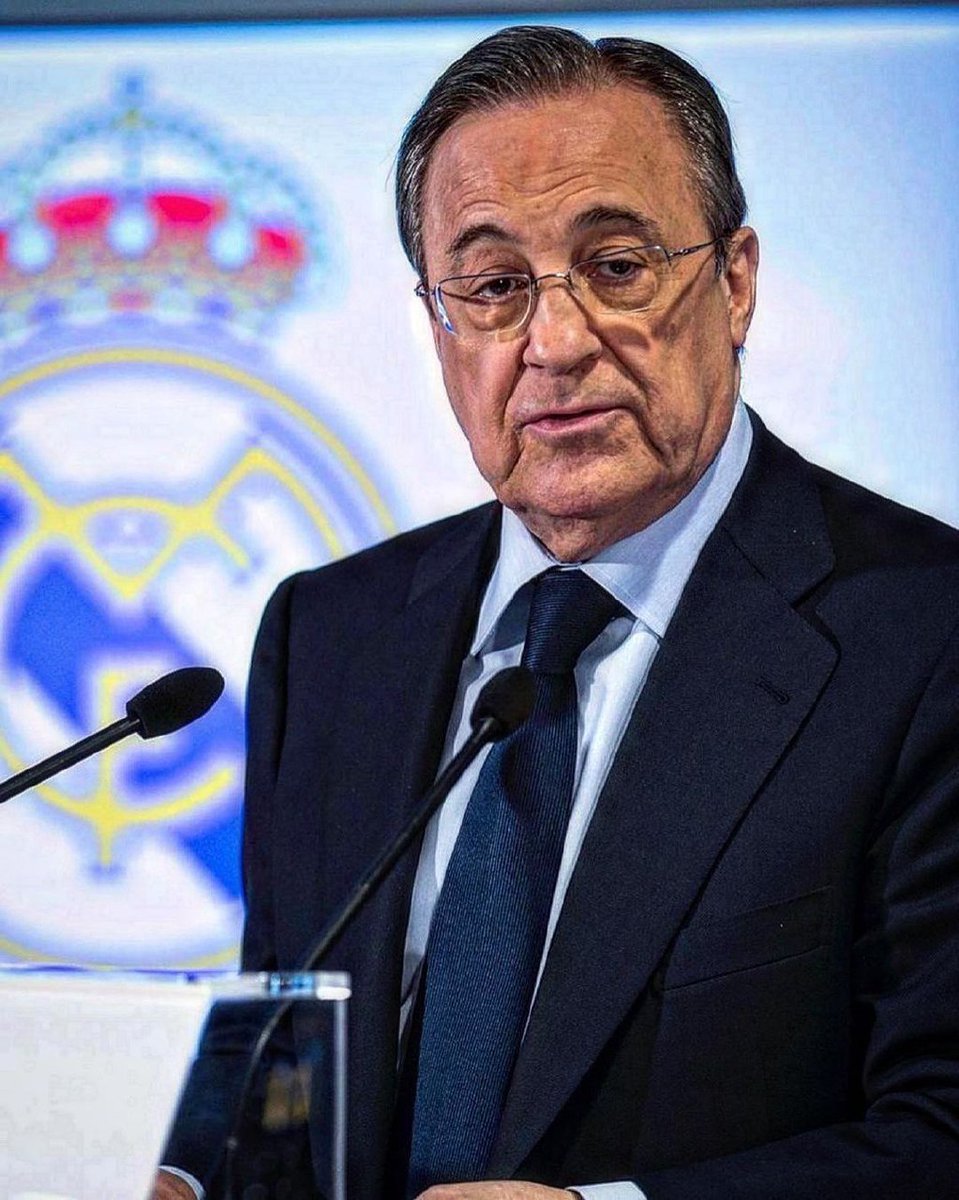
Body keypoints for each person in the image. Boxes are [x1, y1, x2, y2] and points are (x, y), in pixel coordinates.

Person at [156, 24, 959, 1200]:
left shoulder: (920, 636)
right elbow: (283, 1068)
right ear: (437, 323)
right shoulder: (329, 636)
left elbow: (939, 1130)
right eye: (491, 288)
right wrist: (189, 1165)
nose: (555, 342)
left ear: (733, 282)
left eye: (616, 267)